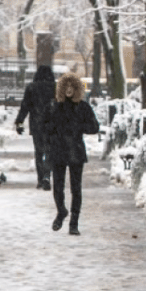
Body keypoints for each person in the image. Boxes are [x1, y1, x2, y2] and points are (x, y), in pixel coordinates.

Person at [46, 71, 99, 236]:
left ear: (77, 88)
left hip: (75, 150)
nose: (69, 89)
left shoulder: (83, 107)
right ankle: (61, 211)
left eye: (72, 86)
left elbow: (94, 127)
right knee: (58, 187)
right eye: (66, 86)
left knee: (76, 188)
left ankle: (74, 223)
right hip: (58, 150)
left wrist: (79, 127)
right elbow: (46, 127)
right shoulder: (55, 106)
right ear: (62, 88)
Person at [14, 65, 56, 190]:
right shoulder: (55, 88)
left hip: (37, 124)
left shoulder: (31, 88)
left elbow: (25, 107)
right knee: (50, 152)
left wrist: (19, 122)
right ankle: (47, 175)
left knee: (39, 152)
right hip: (52, 125)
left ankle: (40, 179)